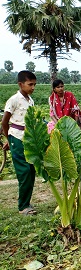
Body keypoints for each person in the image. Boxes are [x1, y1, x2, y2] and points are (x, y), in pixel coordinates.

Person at [1, 71, 37, 215]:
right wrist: (9, 139)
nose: (33, 87)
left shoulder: (30, 100)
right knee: (24, 172)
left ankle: (26, 201)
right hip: (16, 138)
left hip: (28, 138)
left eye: (34, 84)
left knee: (31, 171)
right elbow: (4, 122)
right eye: (30, 84)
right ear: (20, 84)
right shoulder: (14, 100)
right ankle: (23, 207)